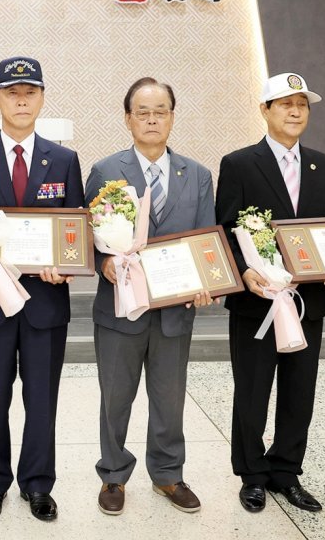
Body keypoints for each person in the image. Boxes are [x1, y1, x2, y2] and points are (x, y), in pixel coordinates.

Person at [0, 56, 84, 522]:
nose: (21, 100)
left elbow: (75, 227)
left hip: (45, 303)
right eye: (12, 93)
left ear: (42, 98)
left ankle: (38, 484)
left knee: (42, 398)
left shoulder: (64, 160)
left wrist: (67, 265)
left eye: (30, 92)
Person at [216, 73, 325, 514]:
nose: (295, 112)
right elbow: (225, 229)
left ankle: (286, 472)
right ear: (265, 110)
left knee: (300, 392)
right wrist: (244, 272)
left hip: (306, 302)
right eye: (285, 104)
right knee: (252, 391)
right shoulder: (239, 164)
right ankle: (252, 475)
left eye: (302, 105)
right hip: (256, 302)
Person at [86, 78, 216, 516]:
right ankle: (113, 474)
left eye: (161, 111)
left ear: (173, 117)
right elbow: (87, 232)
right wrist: (104, 262)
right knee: (115, 398)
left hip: (174, 311)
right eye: (142, 112)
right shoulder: (105, 171)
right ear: (128, 119)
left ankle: (167, 474)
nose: (152, 119)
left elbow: (206, 239)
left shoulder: (197, 175)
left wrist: (208, 279)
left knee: (169, 397)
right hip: (120, 309)